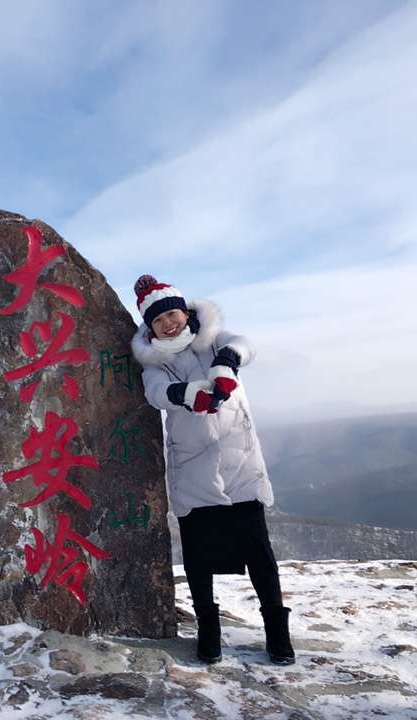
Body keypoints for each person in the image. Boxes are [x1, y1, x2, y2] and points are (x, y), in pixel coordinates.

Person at [130, 274, 295, 665]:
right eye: (159, 321)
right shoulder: (157, 362)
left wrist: (225, 364)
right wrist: (189, 395)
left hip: (241, 468)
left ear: (185, 312)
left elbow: (244, 346)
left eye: (172, 314)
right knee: (198, 559)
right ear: (150, 329)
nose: (168, 324)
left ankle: (277, 631)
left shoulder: (215, 339)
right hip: (193, 472)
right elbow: (155, 393)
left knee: (260, 554)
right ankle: (209, 632)